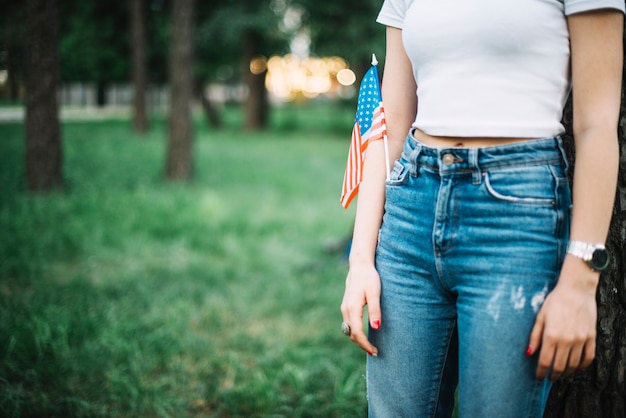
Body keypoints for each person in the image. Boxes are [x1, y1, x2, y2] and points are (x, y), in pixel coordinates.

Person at [339, 1, 624, 417]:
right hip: (411, 207)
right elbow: (393, 121)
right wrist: (361, 259)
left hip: (515, 219)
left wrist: (580, 283)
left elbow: (597, 124)